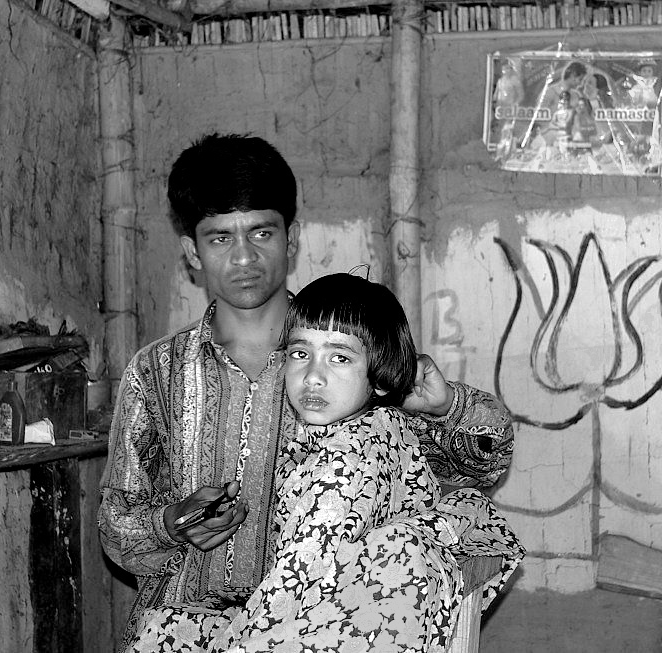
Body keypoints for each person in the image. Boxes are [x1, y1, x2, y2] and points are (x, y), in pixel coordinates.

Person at [98, 133, 516, 650]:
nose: (245, 257)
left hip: (323, 633)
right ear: (192, 252)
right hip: (182, 630)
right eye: (221, 238)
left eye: (261, 233)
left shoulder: (349, 359)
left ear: (291, 239)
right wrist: (170, 525)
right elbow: (116, 531)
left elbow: (485, 467)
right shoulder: (155, 373)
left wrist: (447, 406)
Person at [122, 273, 524, 652]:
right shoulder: (374, 425)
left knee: (163, 635)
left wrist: (235, 640)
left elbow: (295, 587)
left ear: (381, 379)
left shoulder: (343, 463)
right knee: (165, 628)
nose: (313, 375)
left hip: (313, 619)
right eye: (301, 353)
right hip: (311, 609)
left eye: (339, 358)